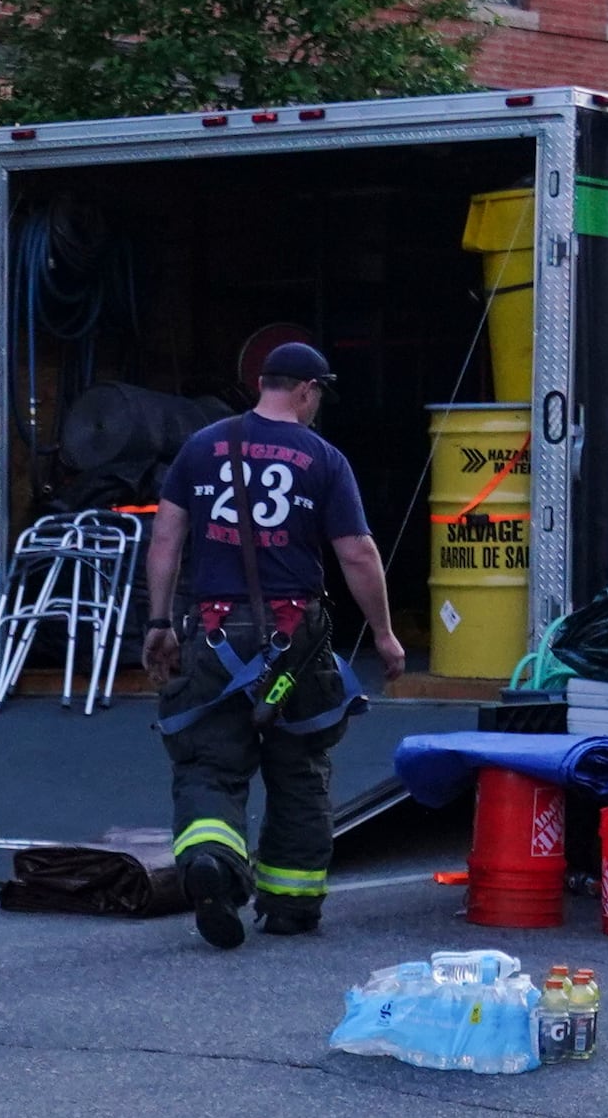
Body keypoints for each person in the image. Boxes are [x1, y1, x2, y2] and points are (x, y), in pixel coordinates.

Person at [132, 342, 404, 949]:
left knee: (208, 763)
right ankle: (290, 904)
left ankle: (211, 860)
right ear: (307, 390)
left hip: (215, 636)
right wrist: (383, 634)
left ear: (263, 383)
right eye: (317, 396)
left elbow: (165, 540)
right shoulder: (323, 459)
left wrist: (159, 623)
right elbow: (356, 553)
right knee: (300, 767)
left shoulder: (201, 447)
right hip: (295, 643)